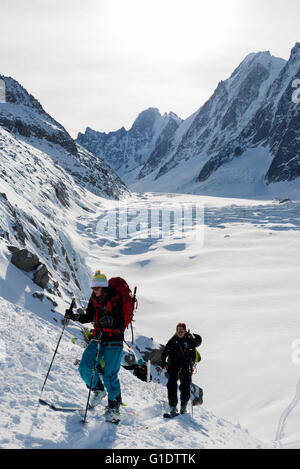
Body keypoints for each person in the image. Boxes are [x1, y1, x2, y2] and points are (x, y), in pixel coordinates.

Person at [64, 269, 125, 422]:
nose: (94, 291)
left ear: (103, 287)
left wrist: (109, 321)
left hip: (114, 341)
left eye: (96, 288)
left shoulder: (115, 299)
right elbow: (89, 316)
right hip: (99, 337)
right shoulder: (94, 299)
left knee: (110, 374)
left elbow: (121, 322)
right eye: (92, 288)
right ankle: (98, 390)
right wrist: (74, 316)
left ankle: (114, 408)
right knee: (85, 366)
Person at [160, 322, 202, 416]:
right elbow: (165, 352)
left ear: (185, 331)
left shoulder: (189, 341)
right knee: (171, 384)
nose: (180, 332)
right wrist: (164, 362)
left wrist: (191, 363)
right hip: (173, 364)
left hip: (185, 365)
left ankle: (183, 408)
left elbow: (193, 354)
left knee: (185, 385)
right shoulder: (172, 340)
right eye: (178, 330)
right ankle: (173, 408)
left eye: (181, 331)